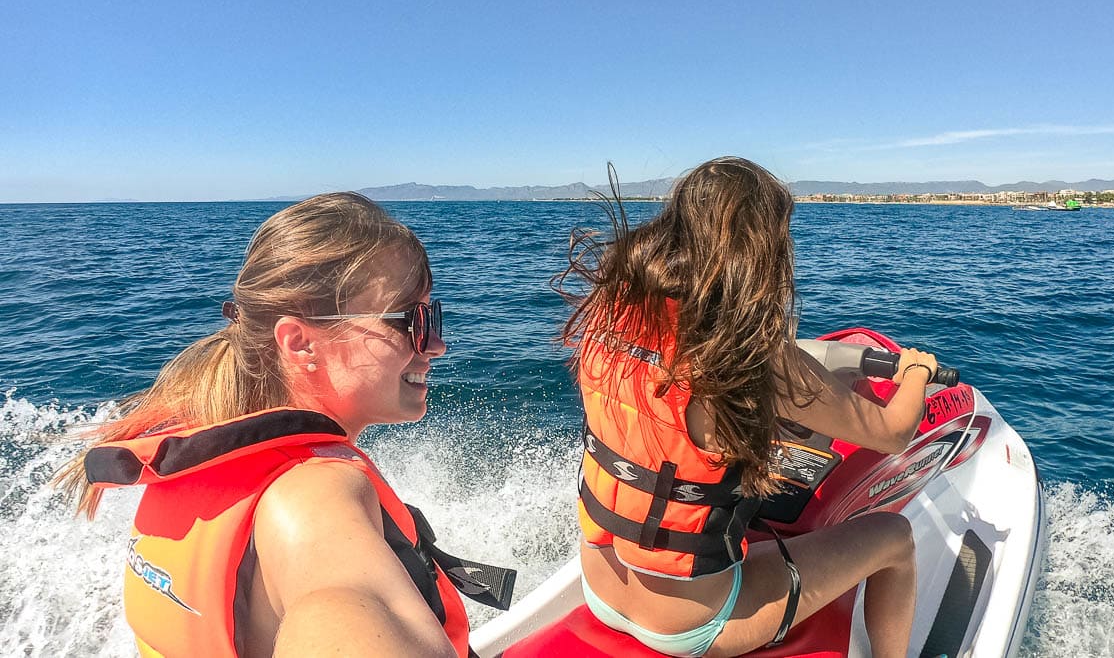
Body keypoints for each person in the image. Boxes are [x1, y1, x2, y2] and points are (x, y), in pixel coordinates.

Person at [57, 192, 512, 658]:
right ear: (300, 344)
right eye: (412, 320)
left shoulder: (210, 458)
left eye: (433, 315)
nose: (435, 344)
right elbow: (344, 609)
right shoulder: (315, 501)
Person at [556, 158, 937, 658]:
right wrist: (916, 372)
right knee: (895, 537)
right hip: (691, 626)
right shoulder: (747, 354)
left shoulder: (611, 310)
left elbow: (670, 406)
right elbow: (891, 432)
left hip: (600, 586)